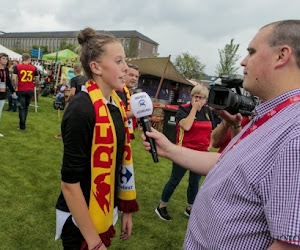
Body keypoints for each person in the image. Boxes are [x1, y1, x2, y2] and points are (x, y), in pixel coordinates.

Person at [142, 20, 300, 249]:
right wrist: (168, 148)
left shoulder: (294, 133)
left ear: (281, 55)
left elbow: (289, 244)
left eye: (252, 52)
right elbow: (229, 164)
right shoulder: (274, 116)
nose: (243, 61)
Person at [55, 27, 139, 250]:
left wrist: (125, 208)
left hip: (106, 210)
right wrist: (93, 243)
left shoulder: (116, 106)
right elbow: (69, 184)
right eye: (119, 61)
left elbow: (119, 163)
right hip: (79, 222)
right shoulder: (81, 109)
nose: (126, 68)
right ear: (96, 67)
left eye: (125, 61)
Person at [155, 85, 216, 221]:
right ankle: (161, 206)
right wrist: (194, 109)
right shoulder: (183, 109)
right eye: (196, 97)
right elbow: (186, 126)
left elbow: (212, 130)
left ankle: (190, 208)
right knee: (175, 180)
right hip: (184, 152)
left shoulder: (207, 111)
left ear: (205, 100)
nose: (198, 100)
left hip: (201, 154)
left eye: (201, 98)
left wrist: (208, 147)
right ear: (191, 97)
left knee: (195, 182)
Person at [12, 53, 39, 131]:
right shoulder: (34, 68)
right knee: (26, 107)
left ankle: (22, 126)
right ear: (29, 59)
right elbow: (37, 80)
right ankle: (23, 124)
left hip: (21, 89)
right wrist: (34, 85)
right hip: (30, 89)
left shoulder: (17, 67)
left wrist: (15, 86)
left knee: (21, 108)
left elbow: (14, 79)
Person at [115, 63, 139, 139]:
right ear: (123, 74)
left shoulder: (130, 92)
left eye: (136, 76)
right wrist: (140, 111)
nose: (134, 78)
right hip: (116, 132)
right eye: (131, 75)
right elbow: (120, 115)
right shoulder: (119, 91)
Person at [0, 53, 16, 137]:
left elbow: (9, 82)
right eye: (3, 58)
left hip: (3, 93)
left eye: (6, 59)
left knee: (0, 112)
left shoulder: (6, 70)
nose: (5, 60)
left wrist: (13, 91)